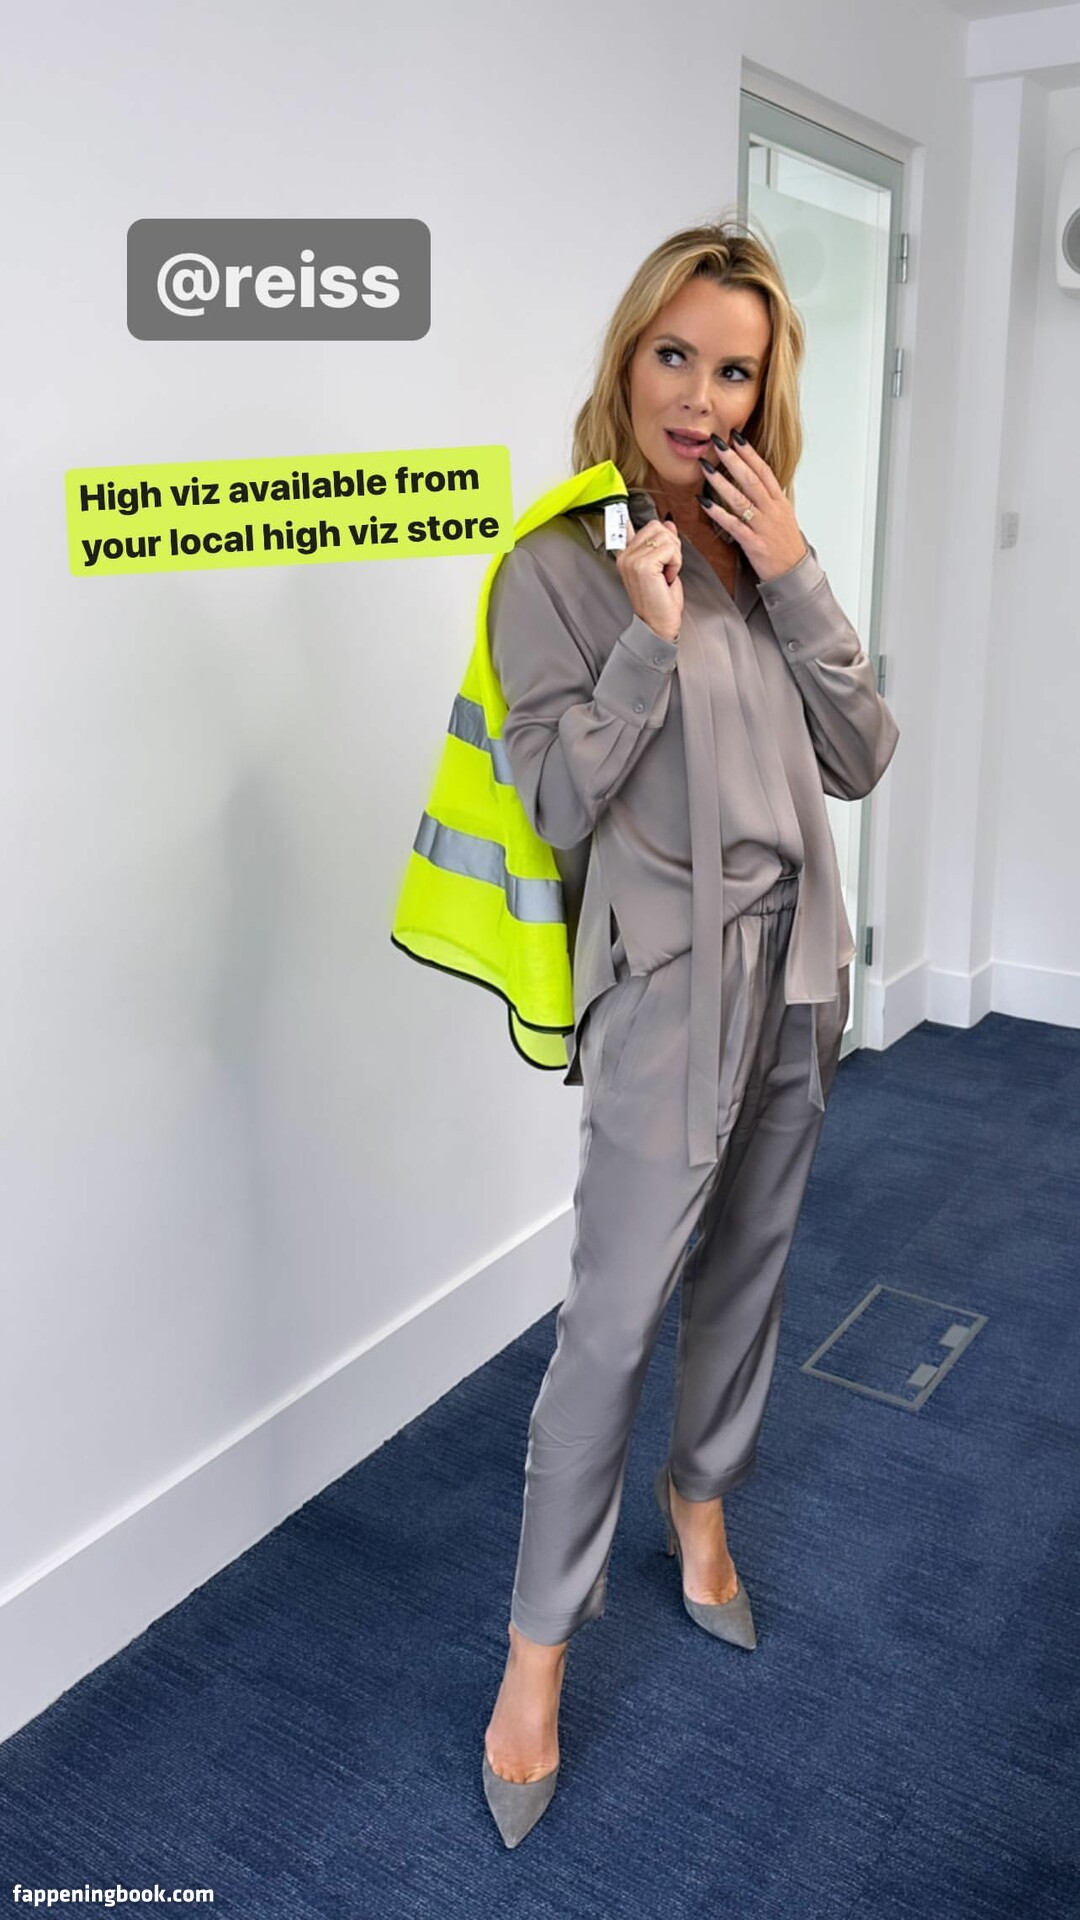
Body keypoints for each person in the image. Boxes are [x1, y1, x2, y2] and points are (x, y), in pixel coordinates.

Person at [479, 214, 901, 1848]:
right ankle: (535, 1658)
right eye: (675, 355)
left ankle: (701, 1496)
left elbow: (860, 754)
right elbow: (550, 797)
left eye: (734, 370)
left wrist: (791, 573)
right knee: (609, 1323)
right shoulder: (553, 565)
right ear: (628, 354)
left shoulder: (760, 543)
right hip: (665, 982)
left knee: (750, 1268)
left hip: (801, 969)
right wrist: (647, 643)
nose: (699, 398)